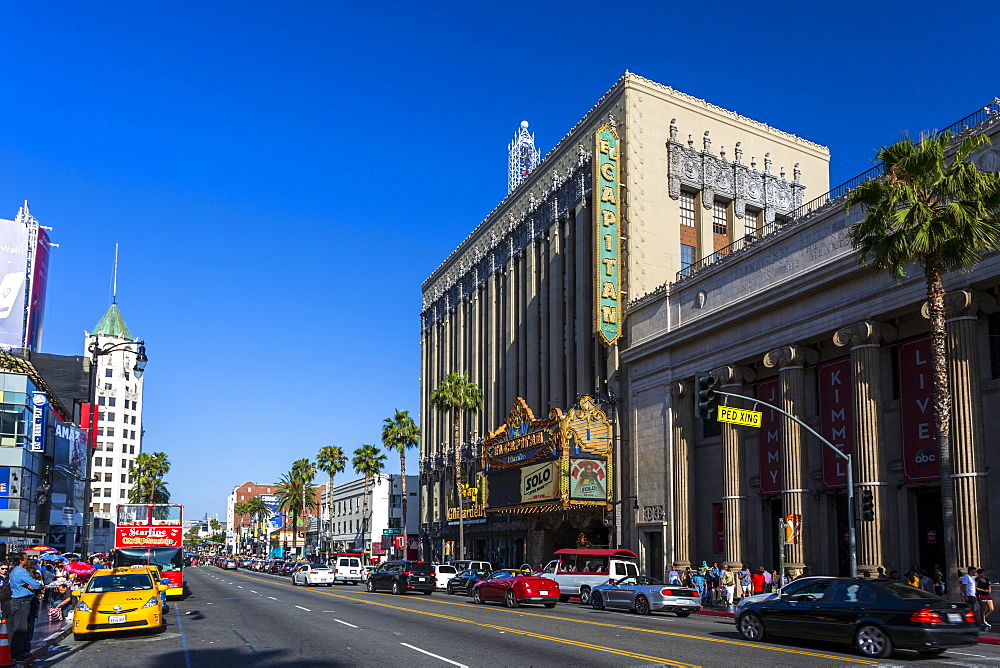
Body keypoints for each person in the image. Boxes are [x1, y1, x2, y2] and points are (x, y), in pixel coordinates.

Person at [8, 553, 43, 663]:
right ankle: (17, 653)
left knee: (20, 628)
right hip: (22, 602)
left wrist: (28, 585)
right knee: (21, 629)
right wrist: (31, 585)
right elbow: (37, 585)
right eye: (26, 559)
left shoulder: (14, 571)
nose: (28, 560)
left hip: (18, 601)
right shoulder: (21, 572)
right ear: (21, 561)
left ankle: (19, 652)